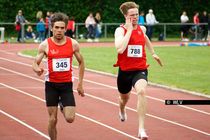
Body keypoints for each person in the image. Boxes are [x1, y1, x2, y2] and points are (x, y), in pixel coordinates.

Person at [32, 12, 85, 140]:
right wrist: (37, 69)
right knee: (52, 119)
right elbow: (35, 62)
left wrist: (80, 83)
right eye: (56, 27)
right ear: (51, 28)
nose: (59, 30)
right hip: (51, 86)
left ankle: (62, 104)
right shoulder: (45, 45)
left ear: (66, 28)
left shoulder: (73, 44)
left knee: (70, 118)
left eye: (62, 28)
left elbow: (81, 62)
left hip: (67, 85)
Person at [114, 2, 162, 140]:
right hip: (124, 72)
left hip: (140, 69)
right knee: (124, 99)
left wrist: (153, 52)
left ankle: (141, 129)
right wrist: (129, 30)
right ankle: (122, 109)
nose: (135, 17)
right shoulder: (120, 31)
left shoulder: (142, 29)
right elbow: (120, 49)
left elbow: (144, 38)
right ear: (125, 16)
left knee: (141, 91)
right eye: (131, 15)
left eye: (136, 14)